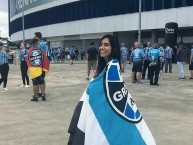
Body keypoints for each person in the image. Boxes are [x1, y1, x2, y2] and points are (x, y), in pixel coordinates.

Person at [68, 34, 156, 145]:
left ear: (113, 48)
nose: (102, 47)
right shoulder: (106, 66)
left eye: (106, 45)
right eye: (101, 45)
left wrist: (93, 87)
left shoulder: (112, 67)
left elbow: (105, 90)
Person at [34, 32, 50, 97]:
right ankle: (38, 92)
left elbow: (47, 55)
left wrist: (45, 65)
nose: (33, 37)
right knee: (37, 78)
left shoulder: (44, 44)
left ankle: (43, 92)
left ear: (37, 37)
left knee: (41, 79)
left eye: (34, 36)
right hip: (36, 65)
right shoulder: (36, 44)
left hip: (42, 65)